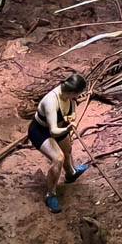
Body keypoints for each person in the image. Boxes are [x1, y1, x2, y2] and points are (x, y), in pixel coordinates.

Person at [31, 74, 90, 212]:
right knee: (58, 158)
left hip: (61, 127)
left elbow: (72, 111)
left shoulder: (69, 97)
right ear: (72, 92)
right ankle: (50, 194)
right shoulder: (51, 101)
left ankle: (71, 173)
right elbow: (53, 131)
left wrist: (71, 120)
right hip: (42, 131)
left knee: (67, 150)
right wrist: (68, 128)